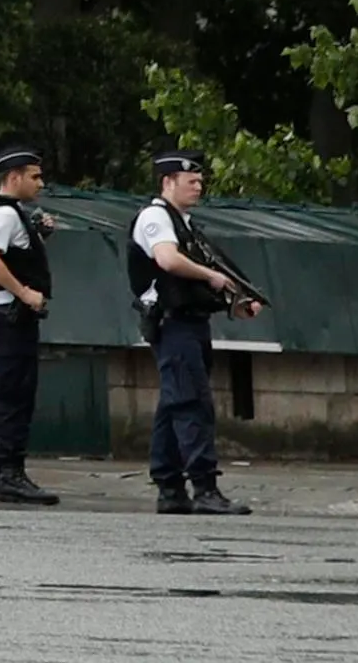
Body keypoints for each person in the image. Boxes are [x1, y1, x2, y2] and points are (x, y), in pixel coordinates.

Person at [133, 151, 259, 515]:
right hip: (173, 323)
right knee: (192, 403)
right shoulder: (156, 217)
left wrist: (237, 297)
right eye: (192, 181)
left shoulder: (184, 223)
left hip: (189, 322)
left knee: (174, 404)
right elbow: (168, 260)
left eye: (201, 181)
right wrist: (211, 277)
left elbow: (208, 264)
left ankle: (170, 487)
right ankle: (205, 488)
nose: (199, 187)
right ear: (168, 181)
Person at [0, 144, 59, 506]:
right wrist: (25, 293)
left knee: (5, 394)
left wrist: (38, 233)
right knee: (15, 396)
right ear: (14, 177)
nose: (41, 183)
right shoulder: (4, 215)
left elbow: (11, 252)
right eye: (34, 176)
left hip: (4, 316)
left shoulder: (7, 213)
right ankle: (10, 474)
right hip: (10, 317)